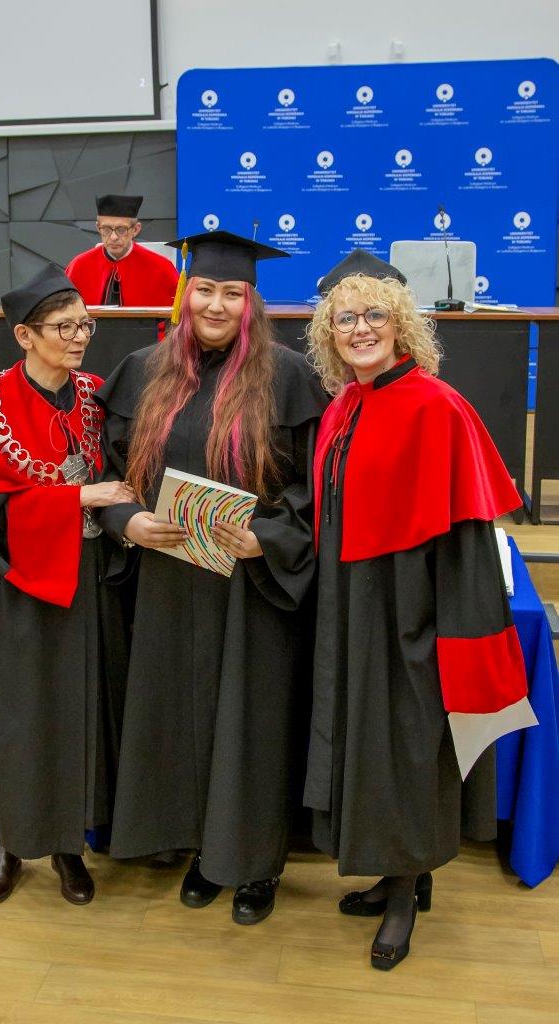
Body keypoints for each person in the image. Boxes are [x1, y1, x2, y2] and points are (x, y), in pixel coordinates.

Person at [304, 249, 531, 969]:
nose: (361, 328)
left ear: (402, 325)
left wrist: (437, 630)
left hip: (413, 612)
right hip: (355, 603)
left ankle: (406, 892)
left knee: (404, 746)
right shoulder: (345, 405)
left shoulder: (437, 406)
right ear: (329, 332)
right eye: (346, 318)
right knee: (369, 743)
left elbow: (465, 540)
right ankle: (394, 873)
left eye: (375, 315)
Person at [94, 230, 328, 924]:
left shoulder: (289, 378)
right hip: (166, 579)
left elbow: (315, 489)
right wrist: (127, 521)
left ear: (252, 302)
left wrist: (268, 536)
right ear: (184, 294)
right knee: (176, 715)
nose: (216, 304)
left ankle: (254, 865)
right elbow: (109, 472)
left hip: (249, 586)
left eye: (232, 292)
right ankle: (195, 847)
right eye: (205, 289)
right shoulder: (142, 369)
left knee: (251, 722)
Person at [0, 264, 134, 905]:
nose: (79, 338)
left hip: (85, 583)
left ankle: (69, 844)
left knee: (78, 710)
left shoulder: (95, 396)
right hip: (12, 588)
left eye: (84, 325)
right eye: (63, 328)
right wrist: (78, 497)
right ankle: (8, 842)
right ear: (24, 335)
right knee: (15, 714)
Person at [65, 194, 179, 307]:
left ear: (135, 229)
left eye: (121, 230)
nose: (113, 237)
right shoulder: (78, 266)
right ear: (98, 228)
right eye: (106, 229)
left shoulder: (161, 268)